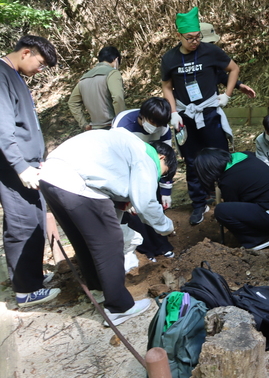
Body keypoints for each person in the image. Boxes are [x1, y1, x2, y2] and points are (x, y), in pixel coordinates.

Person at [39, 129, 176, 325]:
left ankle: (98, 288)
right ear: (162, 157)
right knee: (110, 244)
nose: (157, 177)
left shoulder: (127, 146)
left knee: (83, 240)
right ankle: (120, 307)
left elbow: (116, 201)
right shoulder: (147, 156)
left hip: (51, 178)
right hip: (76, 183)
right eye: (162, 172)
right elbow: (145, 204)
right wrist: (167, 227)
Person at [161, 7, 256, 226]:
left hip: (209, 112)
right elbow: (167, 86)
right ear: (179, 36)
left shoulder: (210, 52)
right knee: (192, 160)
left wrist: (227, 95)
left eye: (197, 37)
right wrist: (173, 112)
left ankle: (229, 198)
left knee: (220, 156)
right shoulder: (170, 59)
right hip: (186, 116)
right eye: (190, 38)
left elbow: (233, 69)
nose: (195, 42)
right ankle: (198, 203)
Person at [0, 35, 60, 308]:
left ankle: (33, 278)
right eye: (41, 63)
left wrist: (38, 159)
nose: (41, 70)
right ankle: (26, 290)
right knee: (22, 224)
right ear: (26, 52)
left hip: (30, 164)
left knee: (35, 219)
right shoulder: (1, 75)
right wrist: (21, 166)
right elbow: (3, 130)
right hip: (15, 168)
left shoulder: (17, 77)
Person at [194, 148, 269, 251]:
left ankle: (257, 239)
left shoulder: (228, 181)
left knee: (222, 211)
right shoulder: (245, 156)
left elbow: (233, 209)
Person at [112, 97, 176, 261]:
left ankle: (163, 245)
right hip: (128, 171)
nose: (155, 128)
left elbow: (166, 156)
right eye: (153, 123)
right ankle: (147, 249)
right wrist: (130, 195)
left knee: (154, 204)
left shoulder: (162, 127)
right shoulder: (123, 124)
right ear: (143, 115)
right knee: (134, 213)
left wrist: (166, 190)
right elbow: (118, 159)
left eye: (159, 124)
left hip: (151, 169)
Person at [68, 46, 125, 130]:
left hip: (94, 129)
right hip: (111, 126)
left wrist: (84, 124)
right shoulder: (112, 73)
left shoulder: (84, 78)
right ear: (116, 59)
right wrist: (121, 122)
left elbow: (72, 102)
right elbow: (117, 97)